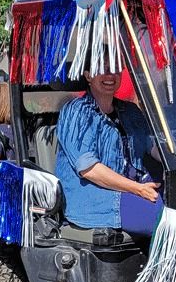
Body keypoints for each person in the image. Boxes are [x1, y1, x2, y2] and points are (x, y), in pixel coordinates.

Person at [55, 67, 161, 236]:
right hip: (93, 198)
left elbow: (152, 146)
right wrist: (137, 189)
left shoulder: (131, 111)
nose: (110, 75)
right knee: (159, 217)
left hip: (133, 186)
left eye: (115, 70)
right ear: (88, 75)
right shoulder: (76, 111)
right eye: (103, 69)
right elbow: (89, 169)